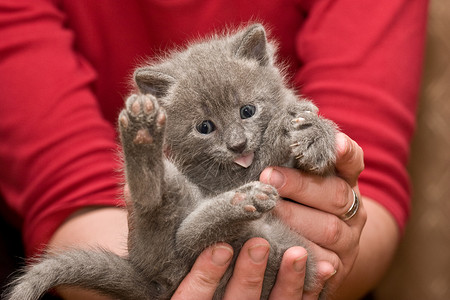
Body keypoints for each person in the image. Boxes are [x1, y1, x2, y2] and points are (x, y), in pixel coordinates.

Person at [0, 0, 428, 299]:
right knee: (168, 196)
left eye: (247, 111)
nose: (238, 141)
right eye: (205, 128)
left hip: (286, 263)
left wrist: (317, 139)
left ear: (264, 63)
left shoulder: (280, 119)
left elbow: (373, 173)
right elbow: (63, 184)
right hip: (161, 250)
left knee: (277, 165)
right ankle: (150, 169)